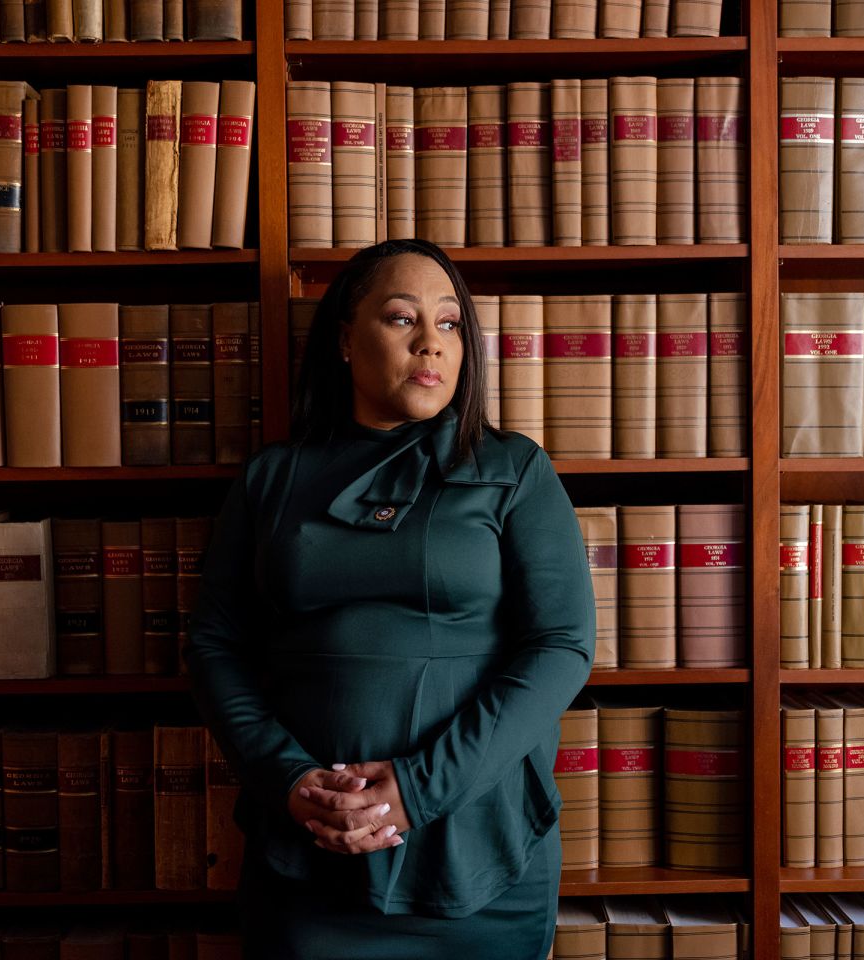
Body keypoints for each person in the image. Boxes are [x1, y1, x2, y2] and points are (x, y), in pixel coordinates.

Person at [184, 237, 596, 959]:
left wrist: (417, 789)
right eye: (403, 318)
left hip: (479, 851)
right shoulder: (271, 479)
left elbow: (561, 647)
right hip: (309, 850)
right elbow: (216, 646)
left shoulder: (514, 469)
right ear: (345, 340)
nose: (431, 343)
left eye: (450, 323)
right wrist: (288, 779)